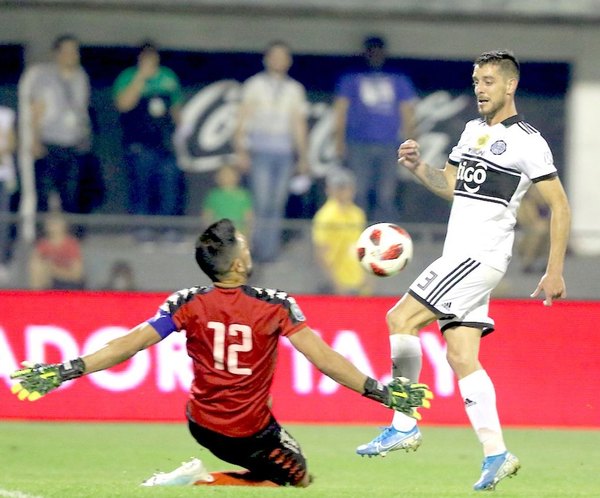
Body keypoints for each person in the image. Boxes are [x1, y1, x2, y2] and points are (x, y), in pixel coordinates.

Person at [10, 218, 432, 488]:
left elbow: (128, 344)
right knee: (295, 477)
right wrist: (382, 393)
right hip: (249, 430)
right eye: (244, 245)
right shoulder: (275, 305)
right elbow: (323, 359)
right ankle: (195, 483)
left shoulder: (186, 302)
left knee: (269, 468)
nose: (248, 248)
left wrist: (64, 370)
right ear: (238, 265)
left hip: (200, 423)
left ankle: (197, 476)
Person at [356, 50, 571, 492]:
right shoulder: (472, 130)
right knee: (461, 356)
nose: (480, 88)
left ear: (510, 86)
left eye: (489, 81)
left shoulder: (528, 141)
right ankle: (497, 454)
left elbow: (560, 206)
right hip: (463, 255)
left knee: (399, 319)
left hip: (477, 256)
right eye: (476, 80)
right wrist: (418, 168)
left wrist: (554, 271)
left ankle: (404, 422)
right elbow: (451, 186)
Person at [234, 40, 309, 263]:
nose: (278, 61)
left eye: (283, 56)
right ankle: (254, 248)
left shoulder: (295, 89)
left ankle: (269, 251)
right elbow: (242, 118)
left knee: (277, 202)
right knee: (261, 201)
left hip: (284, 151)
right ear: (266, 59)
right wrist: (240, 150)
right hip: (260, 149)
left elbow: (298, 123)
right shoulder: (254, 85)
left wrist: (303, 156)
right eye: (274, 56)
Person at [333, 35, 418, 222]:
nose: (375, 55)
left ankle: (386, 240)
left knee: (386, 195)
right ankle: (357, 237)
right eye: (371, 50)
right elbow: (341, 110)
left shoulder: (398, 78)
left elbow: (406, 112)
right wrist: (339, 141)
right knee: (358, 192)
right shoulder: (351, 78)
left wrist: (410, 141)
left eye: (378, 50)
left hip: (389, 144)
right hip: (358, 142)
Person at [113, 40, 185, 243]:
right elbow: (123, 105)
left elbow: (176, 108)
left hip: (165, 145)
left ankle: (170, 228)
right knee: (141, 186)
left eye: (153, 57)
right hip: (139, 145)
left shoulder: (168, 78)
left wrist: (181, 130)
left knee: (170, 184)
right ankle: (142, 228)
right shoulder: (128, 77)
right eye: (145, 58)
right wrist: (140, 79)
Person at [27, 34, 95, 214]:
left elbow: (83, 109)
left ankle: (70, 236)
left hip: (75, 143)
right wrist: (35, 140)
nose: (71, 55)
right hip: (51, 141)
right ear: (57, 53)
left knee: (72, 192)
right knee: (46, 191)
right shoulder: (44, 76)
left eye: (74, 51)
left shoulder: (81, 76)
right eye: (66, 51)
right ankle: (44, 237)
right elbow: (37, 109)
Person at [312, 168, 369, 295]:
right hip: (337, 284)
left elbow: (363, 247)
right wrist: (336, 284)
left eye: (346, 187)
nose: (343, 192)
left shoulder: (357, 214)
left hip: (358, 282)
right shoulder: (325, 216)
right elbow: (321, 254)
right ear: (330, 190)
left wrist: (367, 277)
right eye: (339, 187)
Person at [29, 212, 86, 290]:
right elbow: (35, 263)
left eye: (55, 222)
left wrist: (53, 269)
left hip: (67, 282)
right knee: (37, 267)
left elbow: (77, 273)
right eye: (49, 222)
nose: (51, 225)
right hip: (47, 281)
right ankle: (36, 298)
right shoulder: (42, 244)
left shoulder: (71, 244)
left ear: (63, 225)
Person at [202, 163, 253, 238]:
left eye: (230, 174)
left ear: (237, 176)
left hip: (239, 234)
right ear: (217, 177)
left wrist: (248, 234)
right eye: (223, 174)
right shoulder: (213, 195)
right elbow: (207, 216)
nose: (227, 177)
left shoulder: (244, 195)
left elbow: (248, 216)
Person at [516, 185, 550, 273]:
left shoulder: (546, 203)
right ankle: (528, 261)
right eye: (535, 190)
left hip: (542, 229)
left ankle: (546, 261)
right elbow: (528, 220)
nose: (538, 193)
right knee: (538, 232)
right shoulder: (526, 203)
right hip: (526, 231)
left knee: (550, 232)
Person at [0, 104, 17, 283]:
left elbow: (11, 143)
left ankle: (1, 262)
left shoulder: (5, 114)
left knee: (3, 220)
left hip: (3, 177)